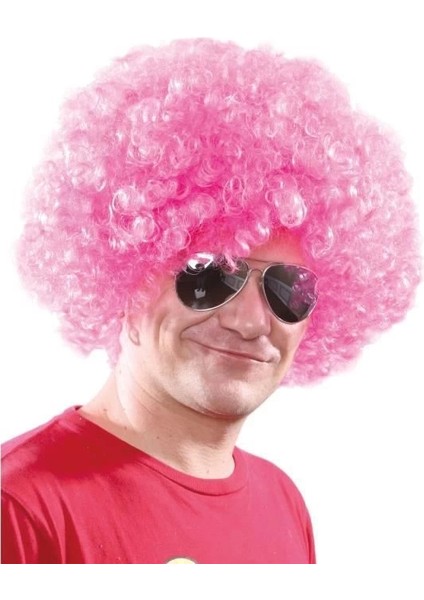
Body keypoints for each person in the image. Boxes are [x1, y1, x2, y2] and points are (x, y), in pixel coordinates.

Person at [1, 39, 421, 564]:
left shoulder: (283, 505)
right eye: (210, 274)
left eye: (288, 288)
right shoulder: (20, 508)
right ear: (126, 275)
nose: (250, 321)